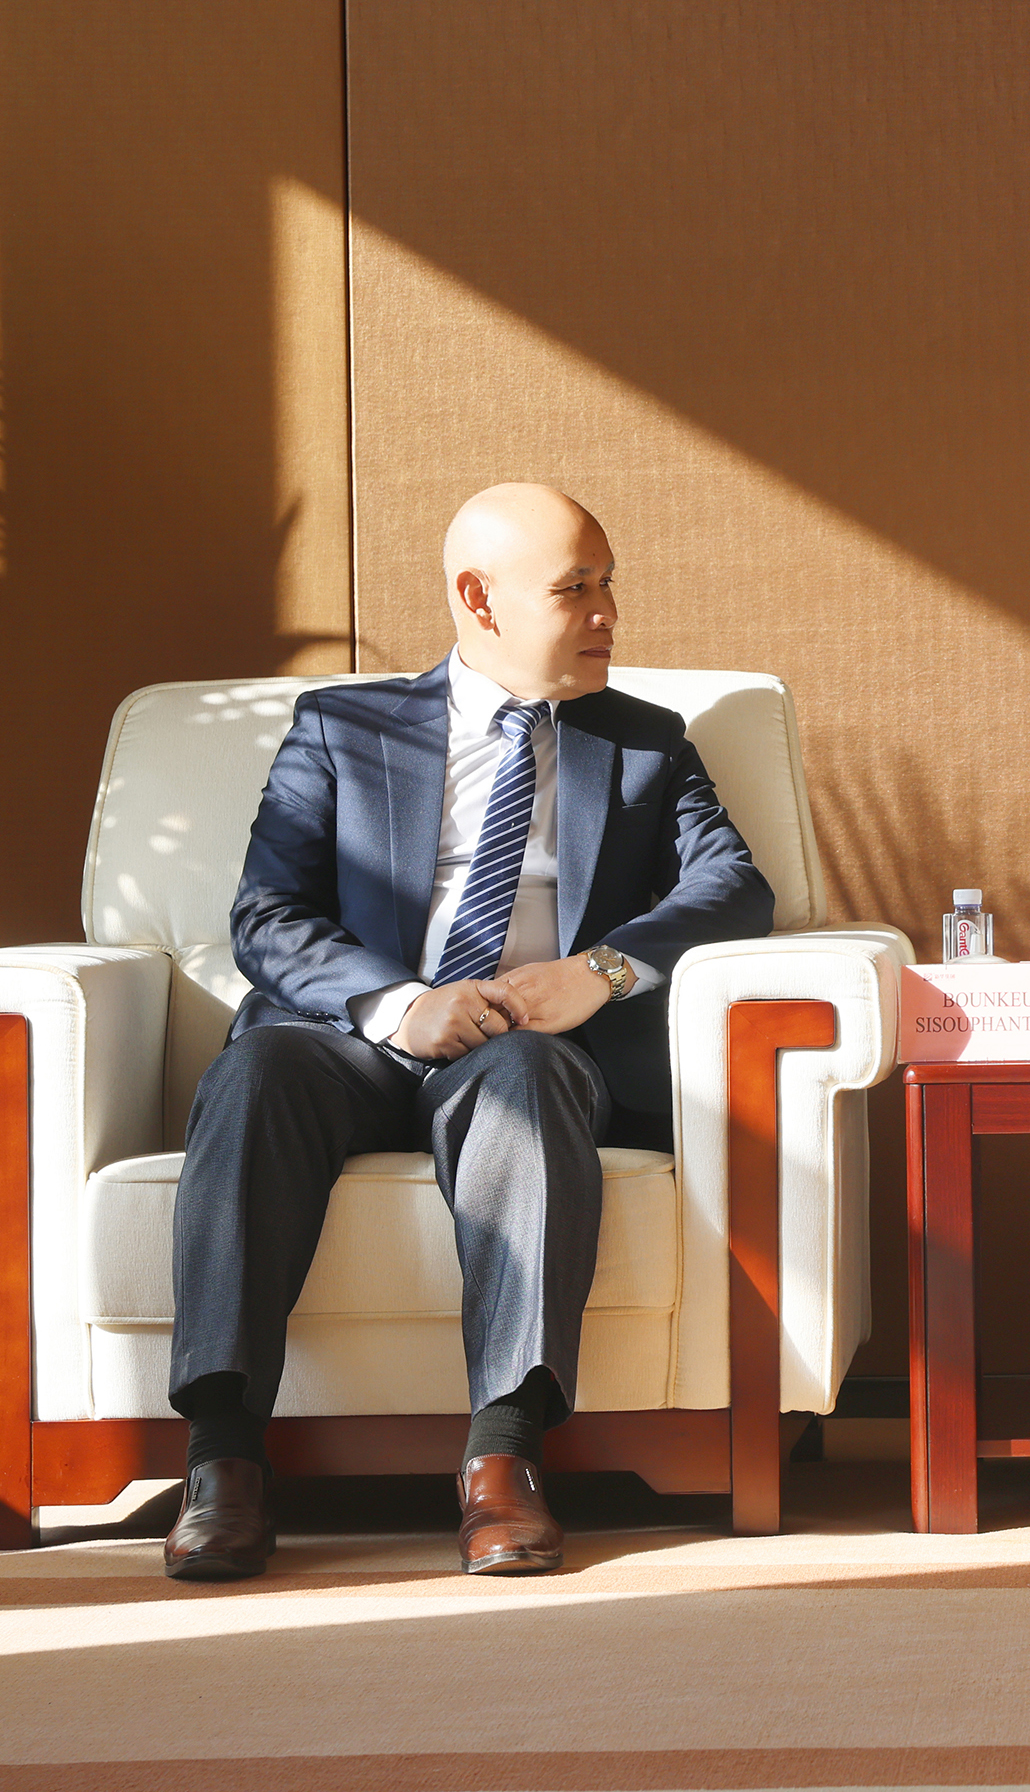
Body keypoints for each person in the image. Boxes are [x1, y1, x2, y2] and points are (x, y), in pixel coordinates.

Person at [160, 482, 773, 1580]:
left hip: (521, 1045)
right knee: (257, 1072)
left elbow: (733, 885)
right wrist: (401, 1004)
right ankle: (223, 1461)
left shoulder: (641, 741)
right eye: (575, 589)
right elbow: (268, 914)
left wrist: (597, 972)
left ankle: (504, 1462)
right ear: (478, 599)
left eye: (608, 584)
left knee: (529, 1075)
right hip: (351, 1039)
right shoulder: (344, 728)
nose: (607, 613)